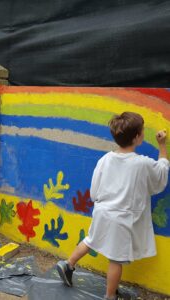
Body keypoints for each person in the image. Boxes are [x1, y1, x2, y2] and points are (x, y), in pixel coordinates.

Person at [56, 112, 169, 300]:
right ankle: (110, 296)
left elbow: (94, 191)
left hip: (102, 212)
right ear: (137, 137)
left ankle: (68, 264)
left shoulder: (105, 159)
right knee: (116, 260)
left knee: (91, 240)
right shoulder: (142, 164)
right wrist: (162, 146)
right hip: (122, 219)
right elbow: (161, 173)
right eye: (142, 131)